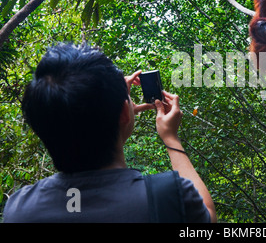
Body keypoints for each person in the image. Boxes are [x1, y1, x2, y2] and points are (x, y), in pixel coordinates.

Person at [3, 43, 216, 223]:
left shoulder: (19, 209)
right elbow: (207, 215)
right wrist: (170, 137)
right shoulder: (170, 196)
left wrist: (117, 110)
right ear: (125, 112)